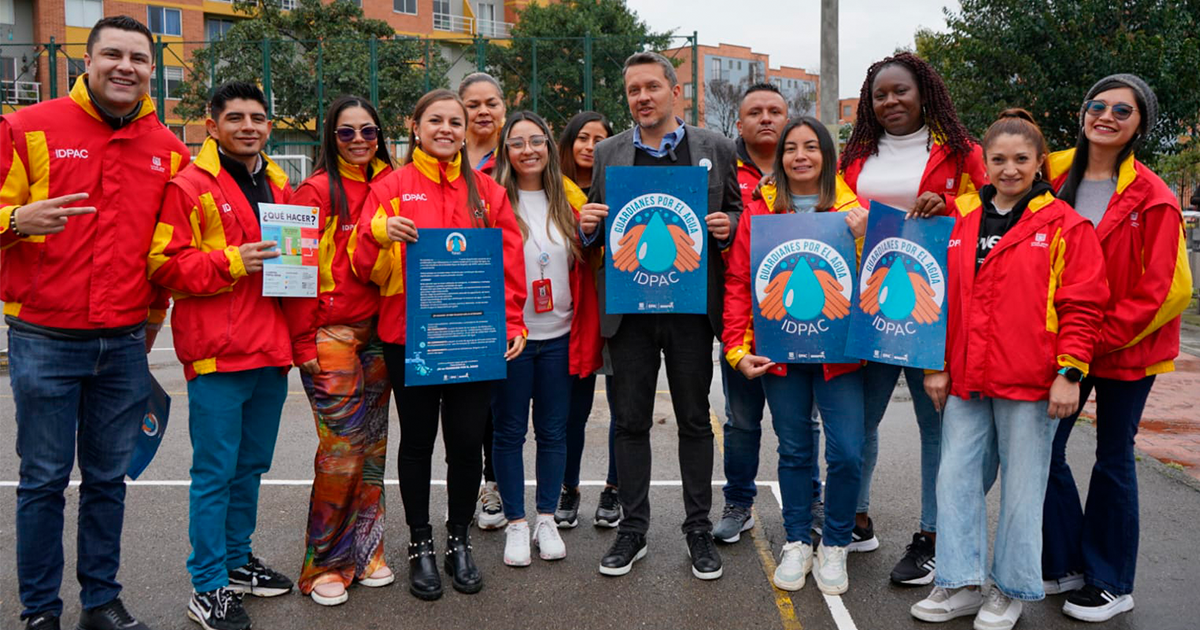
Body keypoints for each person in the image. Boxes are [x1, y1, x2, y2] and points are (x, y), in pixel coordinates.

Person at [0, 15, 188, 630]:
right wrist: (14, 222)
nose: (125, 67)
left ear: (151, 69)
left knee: (109, 479)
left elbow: (168, 256)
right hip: (44, 339)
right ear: (88, 61)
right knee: (43, 482)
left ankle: (100, 601)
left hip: (125, 342)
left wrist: (150, 327)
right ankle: (40, 613)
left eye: (138, 57)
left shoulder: (168, 150)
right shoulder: (27, 126)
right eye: (113, 54)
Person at [911, 109, 1108, 630]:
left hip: (1030, 381)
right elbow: (944, 301)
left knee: (1023, 488)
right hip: (966, 380)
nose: (1010, 168)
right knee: (954, 479)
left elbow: (1083, 305)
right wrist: (937, 365)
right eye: (998, 159)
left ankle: (1012, 588)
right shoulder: (964, 223)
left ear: (1040, 163)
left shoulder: (1067, 225)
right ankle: (959, 580)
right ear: (986, 163)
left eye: (1021, 159)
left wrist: (1070, 372)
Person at [351, 88, 527, 600]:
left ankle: (458, 540)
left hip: (473, 338)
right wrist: (381, 233)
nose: (447, 129)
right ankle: (420, 544)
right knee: (419, 443)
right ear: (416, 126)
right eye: (436, 120)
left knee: (468, 444)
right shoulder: (392, 186)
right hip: (412, 340)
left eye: (457, 120)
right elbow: (361, 265)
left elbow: (509, 262)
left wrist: (512, 323)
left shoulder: (488, 193)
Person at [578, 51, 740, 580]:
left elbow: (738, 211)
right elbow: (600, 228)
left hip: (692, 310)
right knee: (629, 422)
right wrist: (587, 224)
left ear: (676, 91)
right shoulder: (608, 152)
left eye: (651, 86)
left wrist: (729, 227)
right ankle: (633, 529)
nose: (642, 97)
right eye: (633, 90)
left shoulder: (715, 148)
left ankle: (697, 529)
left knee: (696, 420)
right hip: (630, 312)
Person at [1041, 74, 1192, 622]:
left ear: (1139, 126)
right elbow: (988, 192)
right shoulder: (1050, 169)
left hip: (1127, 348)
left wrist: (1091, 343)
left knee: (1112, 458)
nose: (1105, 115)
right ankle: (1064, 564)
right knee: (1044, 451)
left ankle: (1110, 580)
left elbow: (1167, 289)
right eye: (1096, 104)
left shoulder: (1152, 195)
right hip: (1064, 343)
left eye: (1121, 111)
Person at [838, 51, 987, 585]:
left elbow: (994, 205)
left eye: (900, 91)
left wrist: (951, 208)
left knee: (935, 425)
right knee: (861, 418)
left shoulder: (962, 152)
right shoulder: (855, 156)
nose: (890, 101)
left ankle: (931, 536)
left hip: (936, 305)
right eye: (880, 95)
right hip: (872, 304)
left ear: (924, 92)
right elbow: (835, 214)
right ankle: (855, 519)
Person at [151, 81, 295, 630]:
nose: (249, 126)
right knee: (215, 472)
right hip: (217, 353)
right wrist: (233, 260)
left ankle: (237, 562)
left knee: (251, 467)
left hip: (270, 349)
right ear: (212, 125)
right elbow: (162, 264)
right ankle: (207, 584)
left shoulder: (279, 183)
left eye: (258, 117)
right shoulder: (188, 185)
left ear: (269, 125)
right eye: (235, 117)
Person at [723, 116, 868, 594]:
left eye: (811, 146)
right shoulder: (760, 213)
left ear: (827, 155)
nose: (800, 155)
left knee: (847, 452)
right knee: (794, 450)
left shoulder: (857, 210)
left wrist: (868, 236)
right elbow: (741, 283)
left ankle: (836, 544)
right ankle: (797, 541)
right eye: (791, 148)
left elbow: (879, 283)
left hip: (840, 355)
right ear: (780, 158)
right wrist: (736, 348)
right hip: (780, 352)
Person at [283, 96, 396, 606]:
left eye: (367, 132)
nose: (357, 141)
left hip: (381, 331)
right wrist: (301, 340)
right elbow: (292, 271)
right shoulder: (312, 191)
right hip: (330, 334)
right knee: (341, 451)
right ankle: (323, 563)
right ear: (330, 137)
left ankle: (366, 549)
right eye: (346, 133)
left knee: (373, 449)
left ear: (380, 136)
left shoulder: (389, 186)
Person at [714, 81, 826, 545]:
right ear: (738, 123)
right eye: (754, 112)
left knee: (802, 425)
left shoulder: (819, 180)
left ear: (789, 119)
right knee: (741, 421)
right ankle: (739, 502)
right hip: (744, 324)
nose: (766, 118)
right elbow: (731, 266)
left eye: (774, 111)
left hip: (803, 325)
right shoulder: (722, 169)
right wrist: (720, 230)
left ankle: (812, 502)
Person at [490, 110, 603, 565]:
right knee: (509, 431)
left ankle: (546, 517)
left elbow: (589, 263)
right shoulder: (491, 200)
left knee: (554, 432)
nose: (528, 150)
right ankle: (516, 523)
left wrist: (591, 234)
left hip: (560, 336)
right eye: (517, 143)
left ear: (548, 146)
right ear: (506, 152)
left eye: (536, 141)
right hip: (513, 340)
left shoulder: (568, 201)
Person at [553, 111, 625, 529]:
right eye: (582, 137)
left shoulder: (620, 190)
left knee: (622, 407)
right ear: (567, 142)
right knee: (571, 412)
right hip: (571, 310)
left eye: (601, 139)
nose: (590, 146)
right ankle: (568, 486)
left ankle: (614, 490)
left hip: (614, 306)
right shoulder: (550, 189)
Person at [459, 72, 510, 528]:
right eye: (472, 104)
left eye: (490, 102)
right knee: (468, 400)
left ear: (504, 108)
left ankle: (496, 485)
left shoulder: (516, 158)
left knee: (500, 401)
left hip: (507, 293)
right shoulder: (444, 157)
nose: (482, 112)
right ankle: (479, 485)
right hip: (456, 290)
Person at [461, 72, 507, 176]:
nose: (483, 111)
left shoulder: (512, 156)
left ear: (504, 109)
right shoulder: (448, 154)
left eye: (492, 104)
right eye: (473, 106)